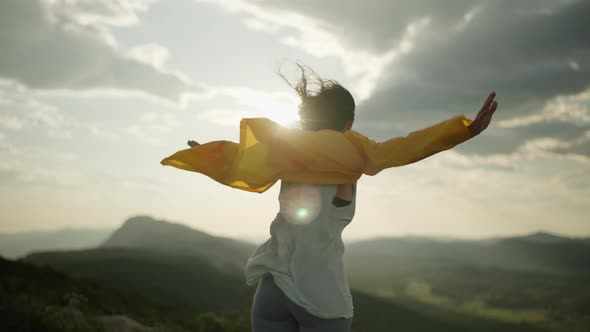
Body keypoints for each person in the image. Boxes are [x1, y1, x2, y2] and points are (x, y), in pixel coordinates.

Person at [163, 63, 497, 332]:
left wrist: (205, 153)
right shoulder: (357, 153)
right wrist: (464, 129)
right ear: (349, 122)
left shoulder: (286, 152)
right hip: (323, 296)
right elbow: (408, 147)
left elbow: (236, 159)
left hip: (274, 286)